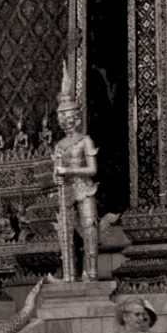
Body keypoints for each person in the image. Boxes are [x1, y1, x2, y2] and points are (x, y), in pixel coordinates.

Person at [52, 64, 100, 283]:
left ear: (77, 117)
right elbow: (56, 174)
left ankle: (91, 273)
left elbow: (92, 169)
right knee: (66, 234)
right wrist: (58, 176)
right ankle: (69, 274)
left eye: (67, 115)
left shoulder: (85, 141)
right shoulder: (60, 145)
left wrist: (68, 170)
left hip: (84, 188)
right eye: (61, 116)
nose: (64, 120)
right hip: (67, 192)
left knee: (89, 229)